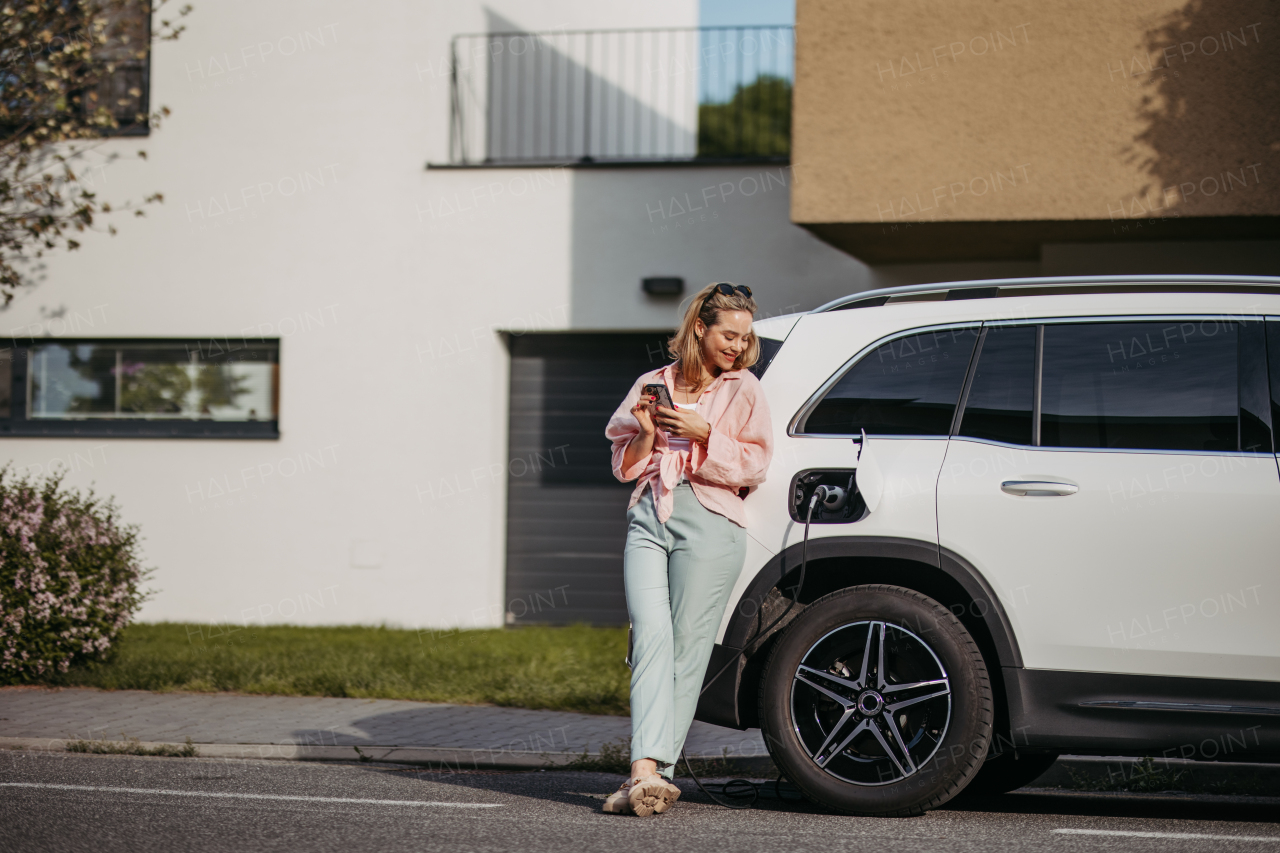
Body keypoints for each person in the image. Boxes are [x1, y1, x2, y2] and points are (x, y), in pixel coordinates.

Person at [601, 282, 774, 816]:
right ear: (700, 327)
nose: (737, 346)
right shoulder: (651, 383)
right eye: (728, 334)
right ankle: (647, 773)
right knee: (649, 635)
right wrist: (650, 434)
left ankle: (648, 773)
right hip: (650, 514)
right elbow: (622, 464)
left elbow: (754, 465)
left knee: (687, 648)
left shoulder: (744, 388)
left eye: (744, 338)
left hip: (711, 522)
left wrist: (703, 433)